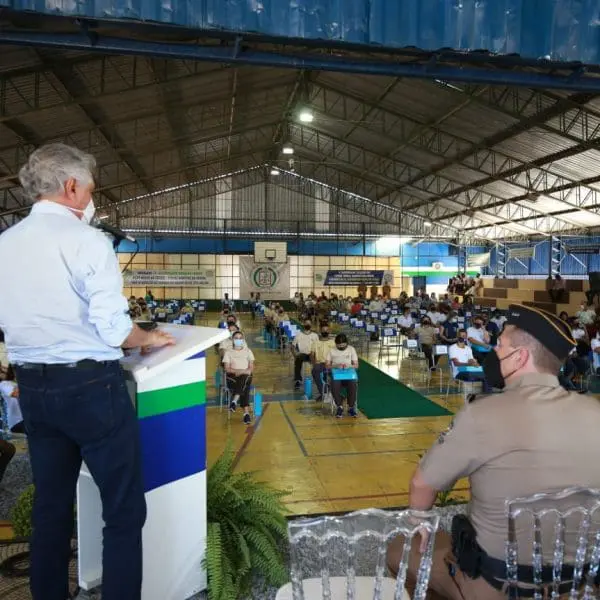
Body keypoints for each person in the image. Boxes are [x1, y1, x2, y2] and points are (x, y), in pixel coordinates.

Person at [0, 143, 176, 600]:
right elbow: (116, 329)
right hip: (90, 389)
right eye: (91, 189)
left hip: (33, 388)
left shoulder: (5, 243)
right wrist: (147, 338)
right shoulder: (87, 242)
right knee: (121, 510)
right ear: (72, 186)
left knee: (51, 508)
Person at [387, 303, 600, 599]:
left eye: (500, 345)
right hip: (581, 586)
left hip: (500, 586)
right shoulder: (595, 412)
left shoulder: (482, 415)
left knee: (401, 549)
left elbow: (422, 483)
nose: (494, 351)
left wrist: (417, 521)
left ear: (520, 357)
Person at [223, 331, 254, 425]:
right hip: (232, 377)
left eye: (240, 338)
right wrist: (238, 371)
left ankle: (234, 401)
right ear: (232, 339)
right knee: (245, 384)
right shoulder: (228, 352)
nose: (238, 340)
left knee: (244, 378)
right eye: (236, 338)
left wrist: (241, 372)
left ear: (243, 340)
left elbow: (251, 368)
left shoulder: (248, 351)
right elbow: (227, 368)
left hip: (245, 375)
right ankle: (246, 414)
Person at [325, 333, 359, 418]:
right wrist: (336, 366)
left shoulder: (351, 349)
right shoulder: (331, 350)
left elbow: (356, 365)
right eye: (339, 345)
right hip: (336, 374)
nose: (341, 347)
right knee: (334, 383)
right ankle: (339, 406)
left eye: (343, 345)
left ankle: (351, 407)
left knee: (353, 383)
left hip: (348, 374)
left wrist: (350, 366)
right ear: (336, 344)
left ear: (347, 343)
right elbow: (327, 365)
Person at [311, 325, 336, 402]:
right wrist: (314, 363)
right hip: (320, 363)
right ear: (320, 332)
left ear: (329, 332)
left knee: (336, 373)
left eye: (326, 330)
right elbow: (311, 354)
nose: (325, 332)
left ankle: (335, 393)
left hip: (331, 363)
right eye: (323, 330)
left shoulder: (333, 342)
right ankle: (324, 393)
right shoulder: (316, 342)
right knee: (315, 371)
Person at [292, 320, 319, 390]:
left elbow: (318, 347)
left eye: (309, 323)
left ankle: (317, 378)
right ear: (303, 325)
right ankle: (298, 380)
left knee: (319, 361)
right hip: (302, 354)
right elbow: (292, 346)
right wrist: (295, 355)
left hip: (312, 354)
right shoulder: (298, 334)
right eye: (306, 323)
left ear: (311, 325)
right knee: (298, 359)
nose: (307, 324)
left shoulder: (315, 335)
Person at [0, 365, 24, 434]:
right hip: (17, 421)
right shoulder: (4, 384)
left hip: (27, 419)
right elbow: (15, 394)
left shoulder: (14, 383)